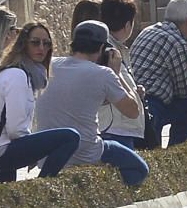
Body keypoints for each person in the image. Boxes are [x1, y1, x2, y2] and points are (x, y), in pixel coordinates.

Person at [35, 21, 149, 186]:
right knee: (140, 169)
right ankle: (108, 194)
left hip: (48, 153)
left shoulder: (49, 65)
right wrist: (118, 75)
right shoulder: (104, 74)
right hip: (87, 152)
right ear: (102, 49)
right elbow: (133, 111)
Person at [0, 22, 80, 183]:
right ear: (23, 44)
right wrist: (33, 151)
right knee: (70, 137)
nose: (41, 48)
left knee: (6, 197)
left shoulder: (21, 74)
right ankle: (45, 184)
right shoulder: (17, 75)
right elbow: (15, 129)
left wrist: (30, 148)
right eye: (35, 42)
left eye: (46, 43)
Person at [130, 0, 187, 146]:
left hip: (136, 97)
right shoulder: (176, 41)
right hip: (152, 103)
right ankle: (179, 152)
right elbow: (183, 90)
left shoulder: (149, 30)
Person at [97, 0, 146, 150]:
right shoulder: (109, 51)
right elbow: (112, 83)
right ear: (127, 25)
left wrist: (135, 91)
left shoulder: (112, 47)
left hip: (116, 126)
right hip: (115, 128)